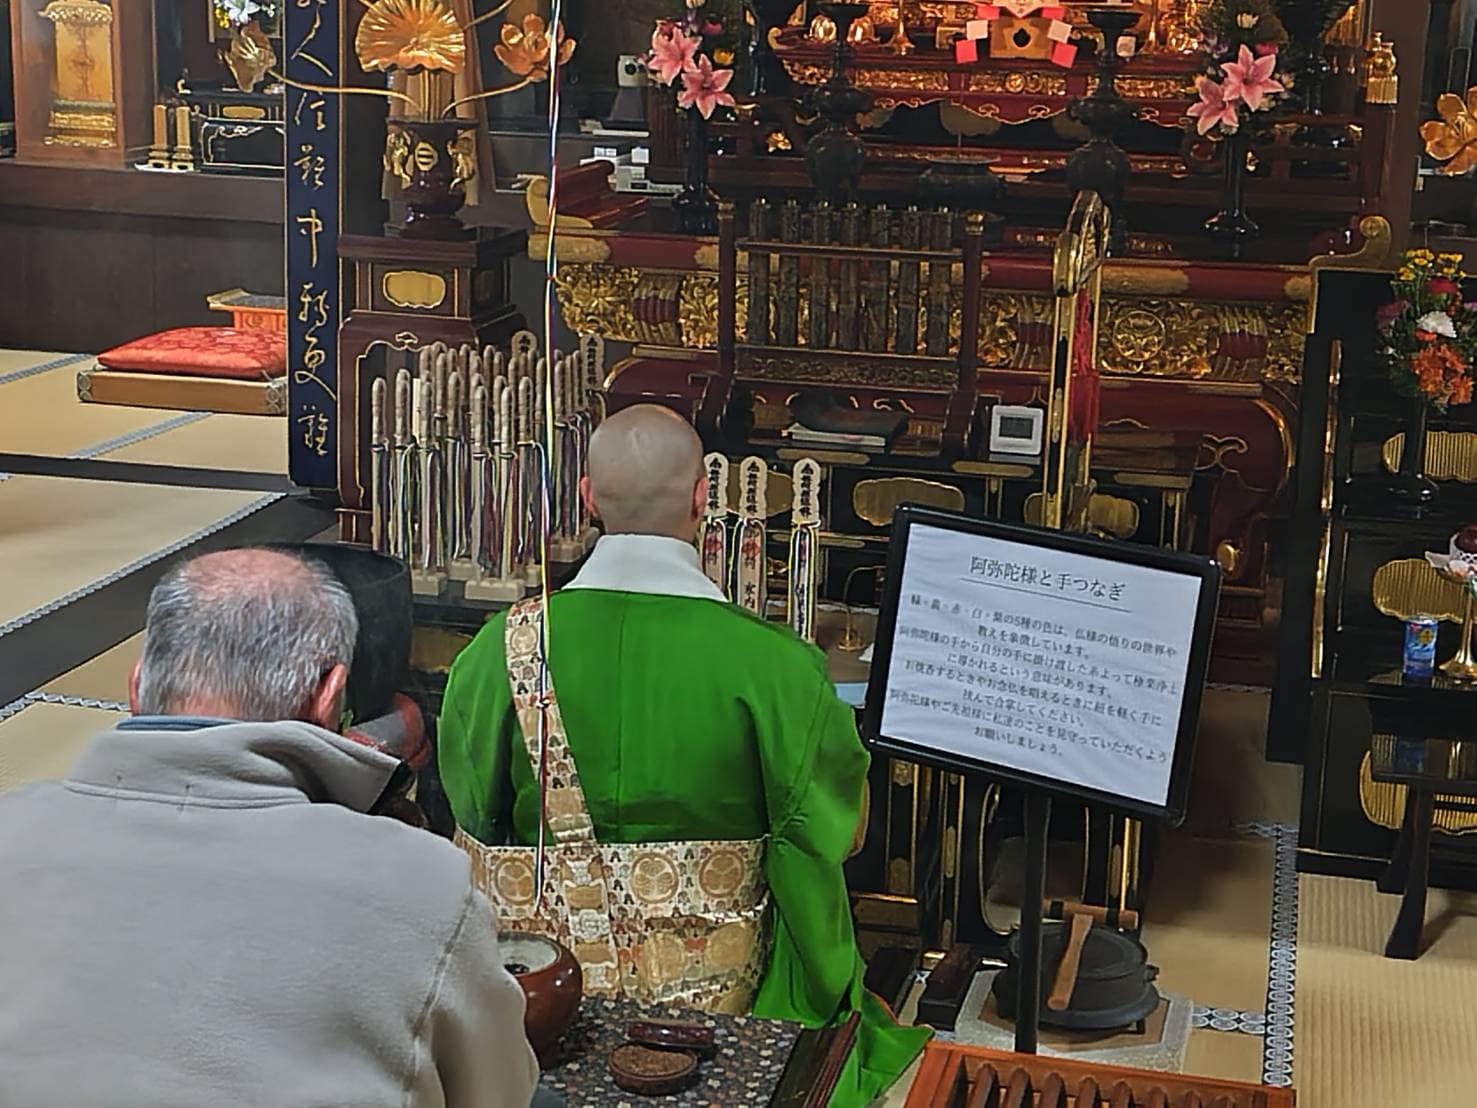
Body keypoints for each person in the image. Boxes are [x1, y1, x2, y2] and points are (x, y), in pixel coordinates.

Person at [439, 405, 930, 1107]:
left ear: (587, 497)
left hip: (546, 1009)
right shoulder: (776, 667)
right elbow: (832, 835)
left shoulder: (497, 651)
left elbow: (476, 819)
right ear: (703, 497)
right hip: (727, 1013)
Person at [0, 548, 539, 1108]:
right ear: (330, 696)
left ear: (136, 688)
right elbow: (499, 1092)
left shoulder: (10, 831)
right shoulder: (423, 886)